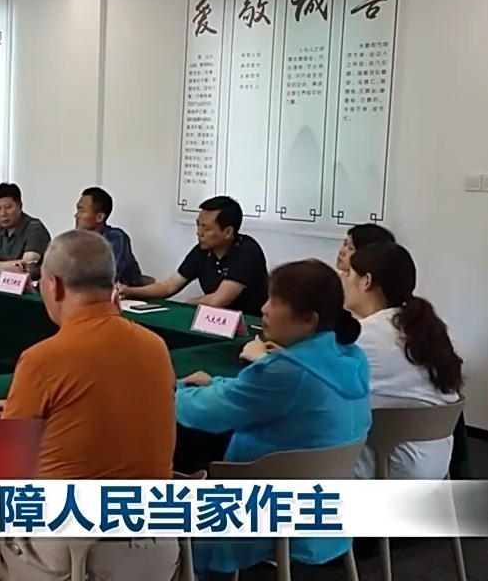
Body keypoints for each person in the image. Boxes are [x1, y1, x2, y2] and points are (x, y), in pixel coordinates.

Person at [0, 230, 178, 581]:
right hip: (156, 553)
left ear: (54, 285)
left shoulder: (43, 359)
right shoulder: (155, 346)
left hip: (77, 559)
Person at [177, 259, 370, 575]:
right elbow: (247, 394)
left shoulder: (288, 371)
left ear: (308, 320)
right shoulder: (351, 357)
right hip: (326, 510)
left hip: (265, 508)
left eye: (275, 302)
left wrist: (171, 392)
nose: (264, 309)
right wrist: (217, 384)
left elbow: (206, 412)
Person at [344, 242, 463, 479]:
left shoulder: (364, 336)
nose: (343, 280)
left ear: (366, 281)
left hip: (387, 469)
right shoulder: (426, 330)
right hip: (435, 467)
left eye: (348, 274)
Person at [119, 196, 268, 316]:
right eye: (198, 225)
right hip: (213, 322)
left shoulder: (247, 252)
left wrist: (185, 305)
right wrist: (130, 291)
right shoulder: (202, 250)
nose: (199, 232)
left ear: (228, 232)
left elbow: (217, 300)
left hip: (250, 325)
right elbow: (168, 287)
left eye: (206, 228)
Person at [73, 186, 143, 287]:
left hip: (125, 295)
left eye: (81, 211)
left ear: (99, 217)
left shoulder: (116, 238)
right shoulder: (77, 240)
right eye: (77, 210)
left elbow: (109, 278)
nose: (76, 215)